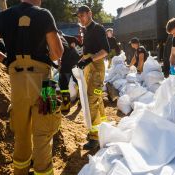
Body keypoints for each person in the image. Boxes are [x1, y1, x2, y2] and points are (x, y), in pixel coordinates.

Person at [0, 0, 64, 174]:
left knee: (21, 136)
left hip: (17, 81)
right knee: (43, 135)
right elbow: (57, 53)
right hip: (45, 81)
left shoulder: (5, 16)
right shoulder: (43, 14)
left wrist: (5, 59)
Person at [74, 5, 110, 150]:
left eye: (82, 15)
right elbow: (88, 51)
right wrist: (82, 60)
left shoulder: (98, 28)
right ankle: (103, 127)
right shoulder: (86, 30)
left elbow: (106, 50)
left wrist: (89, 60)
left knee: (91, 100)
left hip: (97, 71)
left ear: (90, 14)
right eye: (78, 16)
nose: (80, 19)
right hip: (90, 70)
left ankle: (95, 138)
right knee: (97, 99)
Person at [58, 31, 81, 115]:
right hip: (74, 65)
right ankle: (80, 100)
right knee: (78, 82)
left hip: (68, 66)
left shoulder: (60, 39)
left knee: (63, 84)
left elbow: (81, 52)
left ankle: (66, 104)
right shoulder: (72, 39)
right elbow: (81, 52)